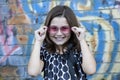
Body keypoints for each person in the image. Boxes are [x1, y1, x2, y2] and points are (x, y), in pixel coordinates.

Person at [28, 5, 96, 80]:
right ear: (47, 29)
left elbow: (90, 70)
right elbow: (33, 72)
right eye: (54, 28)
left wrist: (82, 40)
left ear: (72, 29)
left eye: (64, 28)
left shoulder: (79, 48)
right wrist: (38, 41)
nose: (59, 34)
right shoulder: (45, 49)